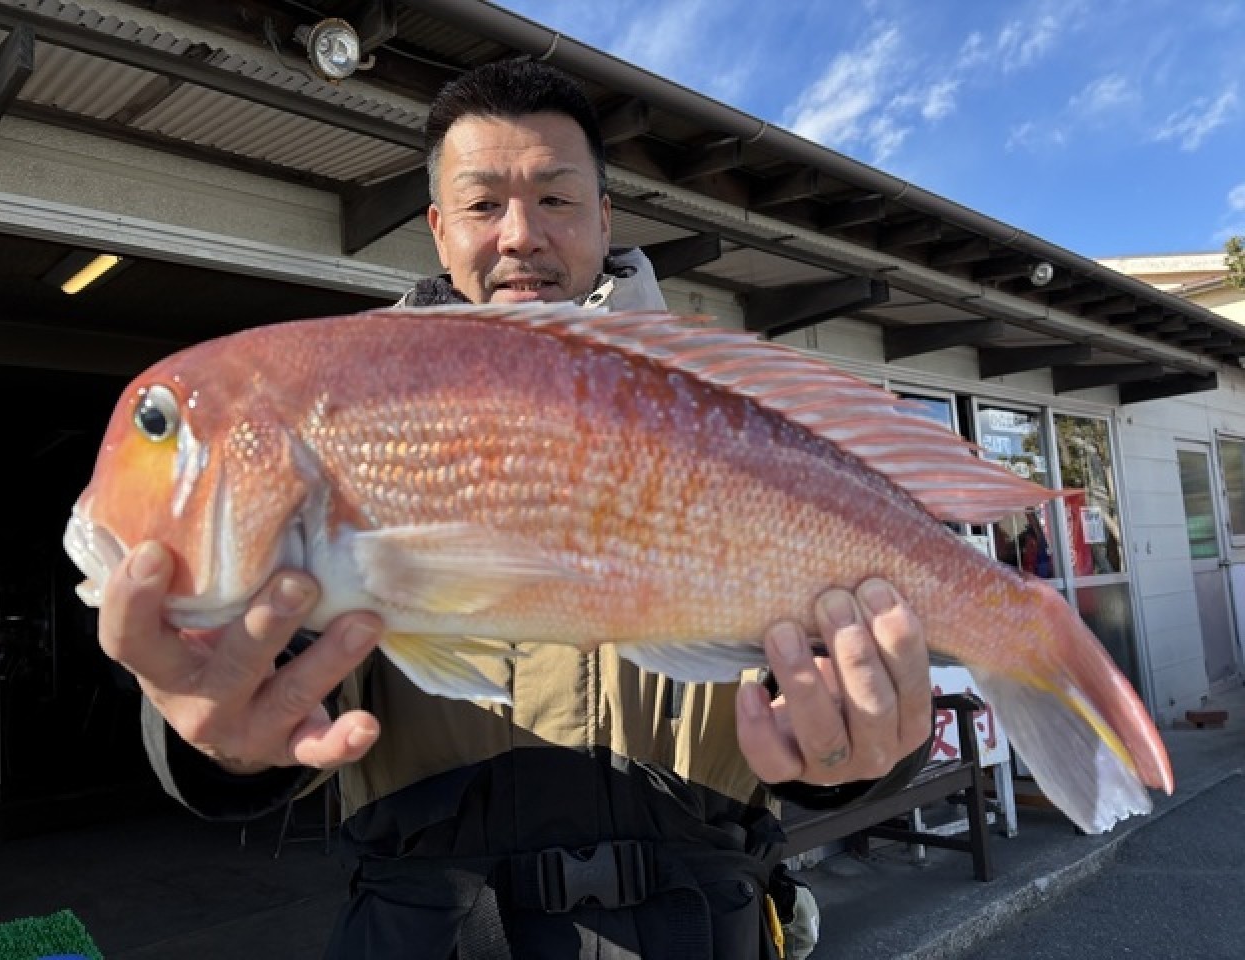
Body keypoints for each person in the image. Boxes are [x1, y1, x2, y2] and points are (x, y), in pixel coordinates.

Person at [97, 60, 934, 958]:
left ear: (606, 217)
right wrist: (217, 732)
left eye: (557, 200)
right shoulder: (339, 418)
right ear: (437, 229)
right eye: (483, 203)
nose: (520, 236)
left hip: (708, 924)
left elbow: (825, 667)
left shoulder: (732, 408)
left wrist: (857, 745)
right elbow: (273, 672)